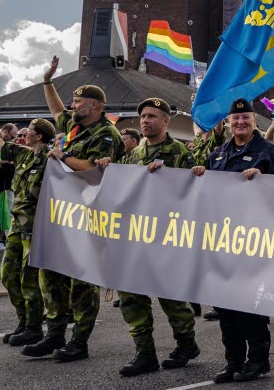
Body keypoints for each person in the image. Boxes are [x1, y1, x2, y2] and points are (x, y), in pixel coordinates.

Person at [23, 57, 124, 363]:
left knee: (82, 280)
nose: (73, 106)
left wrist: (63, 156)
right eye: (74, 101)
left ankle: (79, 340)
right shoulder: (76, 125)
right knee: (50, 272)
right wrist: (47, 81)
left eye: (78, 102)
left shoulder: (106, 134)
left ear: (95, 105)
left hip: (89, 216)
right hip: (62, 215)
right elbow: (56, 111)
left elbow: (94, 170)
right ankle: (54, 334)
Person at [96, 97, 201, 376]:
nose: (145, 120)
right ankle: (144, 354)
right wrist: (109, 168)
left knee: (171, 298)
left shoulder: (179, 152)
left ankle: (186, 343)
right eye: (143, 115)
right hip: (133, 237)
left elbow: (195, 193)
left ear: (165, 121)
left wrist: (170, 177)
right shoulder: (133, 155)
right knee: (131, 296)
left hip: (165, 237)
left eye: (152, 116)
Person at [191, 97, 274, 383]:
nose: (240, 123)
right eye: (235, 119)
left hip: (253, 239)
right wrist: (200, 175)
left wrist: (263, 178)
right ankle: (233, 361)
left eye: (245, 118)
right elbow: (207, 192)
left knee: (248, 305)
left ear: (254, 121)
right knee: (224, 306)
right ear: (229, 123)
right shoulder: (218, 154)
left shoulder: (268, 151)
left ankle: (258, 360)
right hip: (221, 240)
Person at [0, 108, 53, 347]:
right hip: (18, 224)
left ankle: (34, 326)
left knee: (30, 279)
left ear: (40, 136)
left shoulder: (51, 159)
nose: (24, 136)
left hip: (37, 227)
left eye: (30, 132)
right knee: (8, 274)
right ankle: (24, 320)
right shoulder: (24, 155)